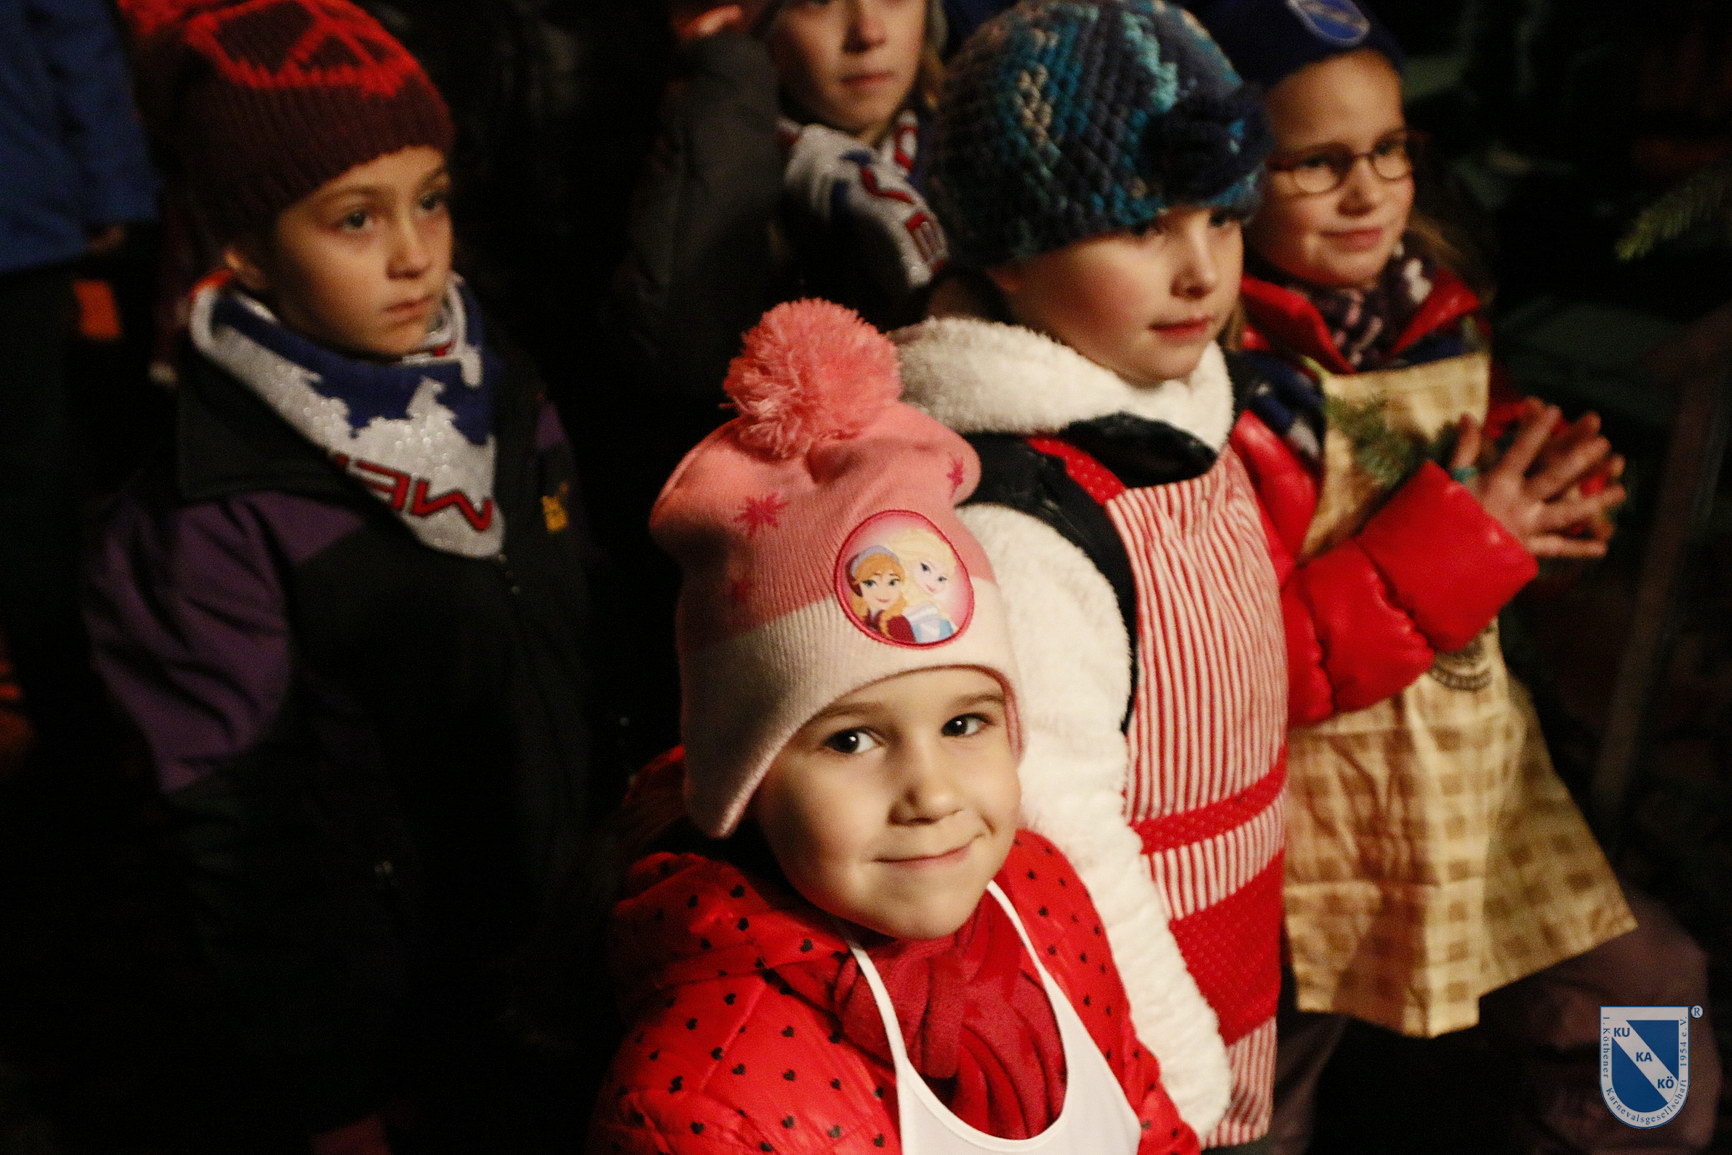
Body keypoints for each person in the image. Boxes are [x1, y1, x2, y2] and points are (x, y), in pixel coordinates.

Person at [1183, 0, 1723, 1150]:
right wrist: (1477, 535)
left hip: (1471, 794)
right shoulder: (1225, 391)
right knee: (1258, 1111)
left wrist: (1552, 504)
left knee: (1652, 994)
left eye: (1389, 150)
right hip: (1309, 843)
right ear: (1232, 179)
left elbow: (1486, 492)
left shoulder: (1434, 318)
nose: (1368, 191)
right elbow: (1252, 666)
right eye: (1317, 162)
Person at [82, 2, 614, 1151]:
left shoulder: (500, 386)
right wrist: (331, 1092)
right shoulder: (210, 516)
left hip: (575, 948)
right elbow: (236, 846)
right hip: (411, 1034)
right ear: (244, 244)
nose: (415, 253)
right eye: (355, 218)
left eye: (431, 198)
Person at [588, 298, 1201, 1155]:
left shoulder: (1042, 892)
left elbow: (1149, 1120)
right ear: (745, 782)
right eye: (851, 739)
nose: (933, 793)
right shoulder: (704, 1109)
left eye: (965, 722)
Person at [895, 3, 1287, 1148]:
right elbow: (1055, 833)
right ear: (1010, 253)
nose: (1201, 270)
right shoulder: (1024, 525)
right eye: (1143, 226)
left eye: (1223, 218)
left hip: (1233, 969)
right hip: (1139, 1047)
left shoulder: (1183, 421)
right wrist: (1173, 1079)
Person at [0, 0, 158, 772]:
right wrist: (107, 188)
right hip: (14, 210)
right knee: (27, 488)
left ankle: (75, 735)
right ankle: (78, 740)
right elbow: (66, 27)